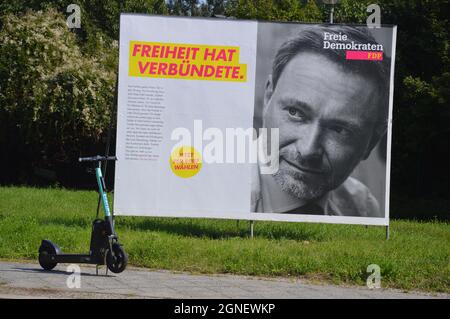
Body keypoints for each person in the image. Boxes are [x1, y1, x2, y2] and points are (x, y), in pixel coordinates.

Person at [251, 25, 391, 217]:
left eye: (339, 130)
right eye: (295, 112)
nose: (308, 150)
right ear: (268, 97)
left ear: (371, 143)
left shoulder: (363, 209)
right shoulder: (213, 192)